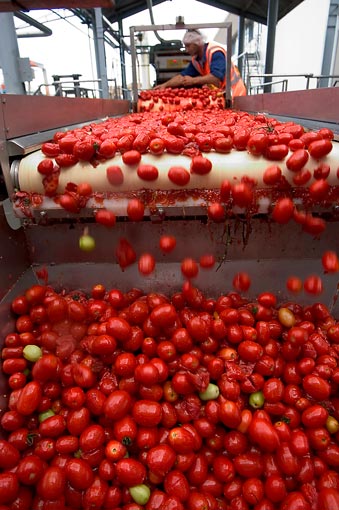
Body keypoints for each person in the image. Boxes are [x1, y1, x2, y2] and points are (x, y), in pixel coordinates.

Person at [154, 29, 247, 97]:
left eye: (188, 46)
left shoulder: (215, 52)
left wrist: (193, 81)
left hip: (235, 94)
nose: (186, 50)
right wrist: (165, 85)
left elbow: (216, 79)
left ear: (196, 43)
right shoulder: (196, 61)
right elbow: (182, 77)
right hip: (223, 95)